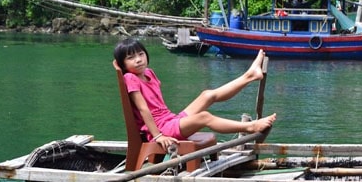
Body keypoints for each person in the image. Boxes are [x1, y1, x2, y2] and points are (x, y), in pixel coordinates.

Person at [113, 38, 276, 148]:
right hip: (162, 130)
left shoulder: (149, 73)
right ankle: (251, 126)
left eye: (141, 54)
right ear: (124, 64)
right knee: (204, 117)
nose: (138, 60)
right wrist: (157, 137)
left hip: (170, 120)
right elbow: (143, 110)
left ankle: (250, 75)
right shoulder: (130, 78)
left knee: (207, 95)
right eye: (131, 58)